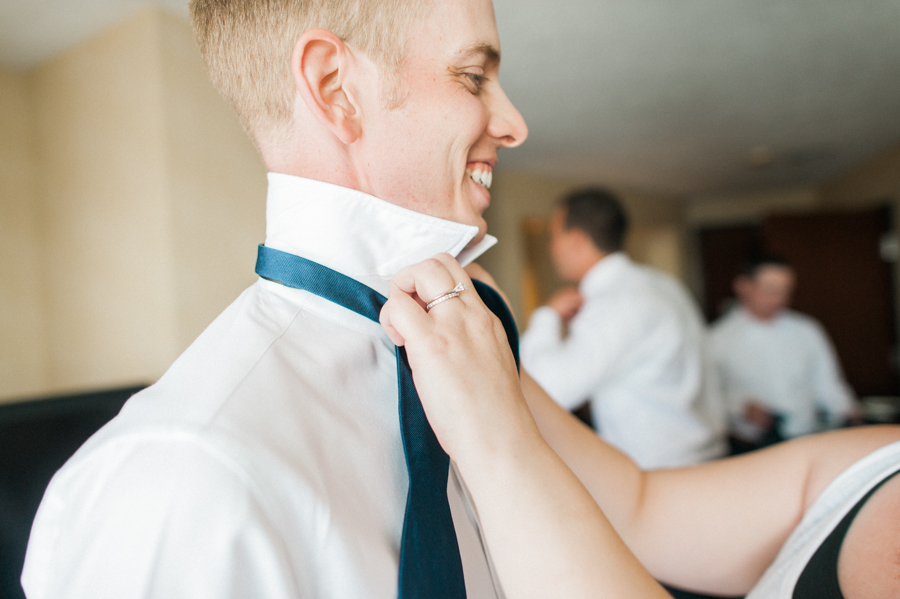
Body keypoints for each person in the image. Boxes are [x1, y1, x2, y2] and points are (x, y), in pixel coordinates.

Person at [22, 0, 527, 597]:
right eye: (472, 76)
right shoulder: (183, 477)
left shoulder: (476, 352)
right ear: (335, 87)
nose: (516, 124)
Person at [382, 254, 900, 599]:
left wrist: (492, 437)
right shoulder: (877, 461)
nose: (514, 128)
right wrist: (503, 354)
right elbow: (640, 506)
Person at [520, 188, 725, 468]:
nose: (551, 247)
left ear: (577, 240)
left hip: (662, 468)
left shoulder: (614, 302)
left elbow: (552, 390)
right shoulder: (665, 284)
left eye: (554, 236)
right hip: (705, 453)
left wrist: (547, 317)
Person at [709, 254, 858, 451]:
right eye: (771, 290)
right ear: (743, 286)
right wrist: (740, 407)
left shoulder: (807, 330)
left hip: (806, 438)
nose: (780, 299)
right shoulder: (716, 339)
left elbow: (827, 382)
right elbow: (711, 394)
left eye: (786, 291)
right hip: (750, 446)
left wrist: (849, 413)